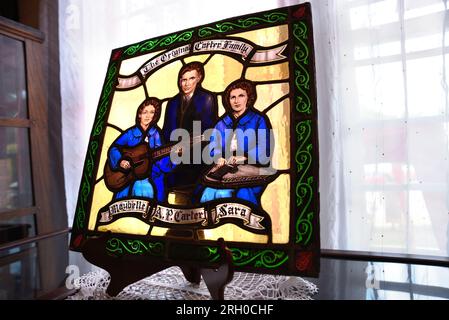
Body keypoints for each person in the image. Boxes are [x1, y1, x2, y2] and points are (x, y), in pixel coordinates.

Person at [200, 79, 273, 206]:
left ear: (248, 98)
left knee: (243, 195)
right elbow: (213, 146)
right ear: (228, 100)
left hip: (251, 171)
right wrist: (218, 157)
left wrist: (244, 157)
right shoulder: (222, 123)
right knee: (209, 193)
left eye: (241, 96)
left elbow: (264, 149)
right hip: (224, 172)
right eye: (232, 97)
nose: (236, 100)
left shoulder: (258, 120)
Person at [162, 61, 217, 202]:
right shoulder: (172, 102)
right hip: (172, 153)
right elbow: (167, 130)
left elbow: (207, 129)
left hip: (197, 155)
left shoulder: (207, 98)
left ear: (199, 78)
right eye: (183, 79)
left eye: (191, 78)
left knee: (192, 190)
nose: (186, 83)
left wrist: (186, 145)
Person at [107, 97, 172, 202]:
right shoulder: (130, 133)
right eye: (145, 112)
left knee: (145, 189)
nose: (148, 116)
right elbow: (114, 148)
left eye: (152, 112)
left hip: (149, 176)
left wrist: (173, 157)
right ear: (139, 114)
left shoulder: (155, 134)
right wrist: (120, 160)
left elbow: (161, 157)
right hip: (125, 178)